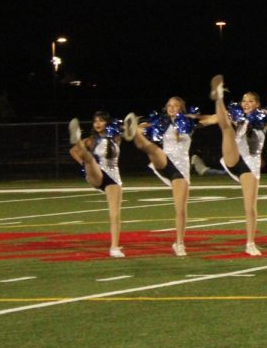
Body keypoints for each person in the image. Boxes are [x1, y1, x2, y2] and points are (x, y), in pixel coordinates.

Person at [124, 96, 202, 256]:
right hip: (164, 161)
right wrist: (138, 127)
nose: (172, 108)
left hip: (180, 170)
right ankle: (133, 132)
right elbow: (146, 125)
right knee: (152, 148)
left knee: (180, 209)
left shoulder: (189, 123)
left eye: (175, 106)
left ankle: (179, 243)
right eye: (169, 105)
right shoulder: (161, 122)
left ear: (181, 108)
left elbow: (207, 120)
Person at [209, 75, 267, 256]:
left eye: (250, 101)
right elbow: (212, 119)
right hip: (234, 158)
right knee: (227, 128)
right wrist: (192, 119)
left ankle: (250, 243)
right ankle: (218, 97)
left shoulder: (264, 118)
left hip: (250, 166)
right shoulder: (237, 117)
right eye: (244, 100)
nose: (246, 103)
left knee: (250, 206)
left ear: (257, 104)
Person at [68, 112, 124, 257]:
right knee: (89, 159)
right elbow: (73, 151)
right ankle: (77, 138)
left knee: (115, 214)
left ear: (107, 122)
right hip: (96, 173)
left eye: (101, 121)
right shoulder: (92, 140)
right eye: (95, 121)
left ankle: (114, 247)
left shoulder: (116, 136)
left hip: (113, 178)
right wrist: (81, 163)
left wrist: (136, 125)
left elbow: (132, 130)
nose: (97, 124)